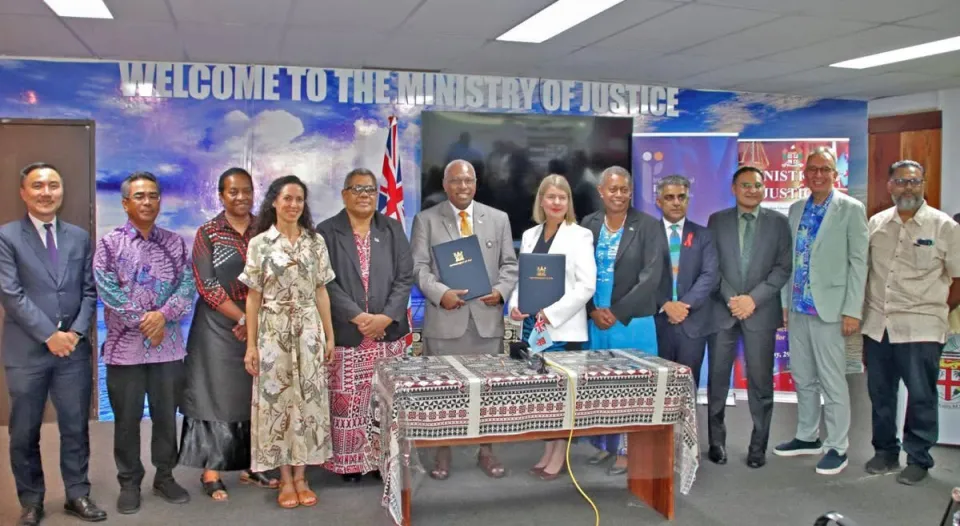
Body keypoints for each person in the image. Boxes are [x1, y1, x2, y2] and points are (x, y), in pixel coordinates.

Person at [0, 162, 106, 526]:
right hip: (27, 351)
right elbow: (11, 294)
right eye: (38, 186)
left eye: (54, 185)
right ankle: (31, 501)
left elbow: (90, 292)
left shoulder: (79, 236)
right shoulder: (7, 236)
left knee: (75, 426)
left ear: (62, 191)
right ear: (24, 192)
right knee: (24, 431)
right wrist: (50, 335)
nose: (47, 193)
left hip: (73, 352)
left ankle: (78, 493)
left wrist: (73, 334)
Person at [410, 159, 518, 480]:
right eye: (455, 181)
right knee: (444, 391)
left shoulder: (498, 219)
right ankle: (442, 453)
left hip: (486, 321)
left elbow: (509, 265)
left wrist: (500, 291)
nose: (462, 187)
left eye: (468, 181)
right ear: (445, 185)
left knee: (487, 392)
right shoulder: (426, 220)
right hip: (445, 320)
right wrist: (440, 291)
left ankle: (486, 450)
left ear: (476, 183)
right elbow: (418, 267)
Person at [94, 172, 195, 514]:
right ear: (126, 203)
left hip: (168, 349)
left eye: (153, 195)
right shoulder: (109, 244)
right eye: (140, 196)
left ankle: (164, 476)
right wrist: (145, 321)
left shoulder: (176, 243)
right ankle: (129, 482)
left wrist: (163, 316)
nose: (148, 201)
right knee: (126, 419)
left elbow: (186, 287)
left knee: (167, 416)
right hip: (125, 351)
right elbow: (108, 292)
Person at [177, 168, 279, 500]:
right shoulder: (208, 232)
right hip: (217, 325)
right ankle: (211, 472)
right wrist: (242, 318)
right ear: (221, 195)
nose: (241, 197)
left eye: (246, 191)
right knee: (215, 394)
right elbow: (206, 285)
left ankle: (254, 466)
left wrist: (254, 320)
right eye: (233, 192)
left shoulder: (266, 229)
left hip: (260, 319)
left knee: (255, 394)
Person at [239, 175, 336, 508]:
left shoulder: (315, 242)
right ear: (274, 202)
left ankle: (302, 476)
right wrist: (251, 345)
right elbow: (252, 297)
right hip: (272, 332)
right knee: (277, 404)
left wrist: (329, 335)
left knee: (308, 403)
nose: (294, 204)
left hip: (309, 330)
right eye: (287, 198)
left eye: (299, 199)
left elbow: (322, 290)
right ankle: (284, 477)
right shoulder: (260, 244)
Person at [862, 160, 960, 485]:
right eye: (902, 181)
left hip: (922, 326)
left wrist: (937, 310)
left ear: (923, 185)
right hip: (878, 325)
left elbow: (959, 277)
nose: (909, 187)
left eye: (915, 181)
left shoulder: (944, 226)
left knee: (920, 395)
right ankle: (885, 451)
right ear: (890, 185)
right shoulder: (876, 223)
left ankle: (918, 458)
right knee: (881, 394)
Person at [774, 148, 868, 476]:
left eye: (824, 169)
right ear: (804, 174)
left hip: (831, 310)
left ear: (834, 174)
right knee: (802, 376)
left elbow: (859, 262)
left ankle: (837, 447)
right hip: (799, 308)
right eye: (812, 169)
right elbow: (790, 261)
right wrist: (785, 304)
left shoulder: (851, 209)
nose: (818, 175)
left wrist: (852, 310)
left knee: (832, 380)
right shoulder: (797, 208)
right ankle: (807, 436)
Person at [316, 168, 414, 482]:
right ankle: (350, 465)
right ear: (344, 194)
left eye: (370, 189)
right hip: (349, 332)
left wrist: (385, 317)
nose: (364, 195)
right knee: (348, 402)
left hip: (388, 333)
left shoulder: (392, 228)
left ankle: (381, 461)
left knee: (384, 400)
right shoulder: (327, 231)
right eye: (356, 189)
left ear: (377, 195)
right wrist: (359, 317)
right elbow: (325, 282)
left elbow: (404, 277)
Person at [508, 174, 596, 480]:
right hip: (533, 327)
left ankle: (560, 455)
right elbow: (523, 280)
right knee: (543, 393)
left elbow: (586, 286)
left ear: (568, 202)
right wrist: (516, 306)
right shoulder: (530, 235)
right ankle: (548, 450)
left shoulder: (580, 235)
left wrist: (552, 312)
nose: (557, 202)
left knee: (561, 393)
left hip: (562, 327)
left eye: (563, 197)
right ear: (541, 201)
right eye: (551, 197)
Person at [579, 166, 665, 475]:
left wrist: (616, 312)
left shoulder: (649, 226)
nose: (619, 195)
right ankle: (606, 446)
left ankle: (629, 452)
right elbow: (576, 271)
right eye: (612, 189)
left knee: (633, 388)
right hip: (595, 320)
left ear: (631, 191)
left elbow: (651, 278)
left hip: (632, 322)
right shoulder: (588, 224)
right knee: (600, 387)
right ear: (601, 191)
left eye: (624, 189)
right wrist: (591, 309)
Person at [706, 166, 791, 469]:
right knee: (717, 381)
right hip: (722, 311)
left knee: (761, 383)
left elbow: (783, 268)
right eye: (746, 185)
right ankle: (716, 442)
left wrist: (752, 300)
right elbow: (711, 265)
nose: (752, 190)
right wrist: (733, 299)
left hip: (761, 312)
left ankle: (758, 447)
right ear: (734, 188)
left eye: (757, 185)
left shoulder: (779, 223)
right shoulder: (717, 221)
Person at [654, 174, 719, 389]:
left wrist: (682, 306)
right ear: (659, 201)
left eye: (681, 197)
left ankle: (687, 425)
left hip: (692, 323)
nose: (676, 202)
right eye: (669, 197)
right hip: (656, 323)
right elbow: (642, 276)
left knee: (686, 387)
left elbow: (709, 275)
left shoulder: (704, 235)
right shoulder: (647, 234)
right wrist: (666, 304)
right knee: (659, 386)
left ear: (688, 201)